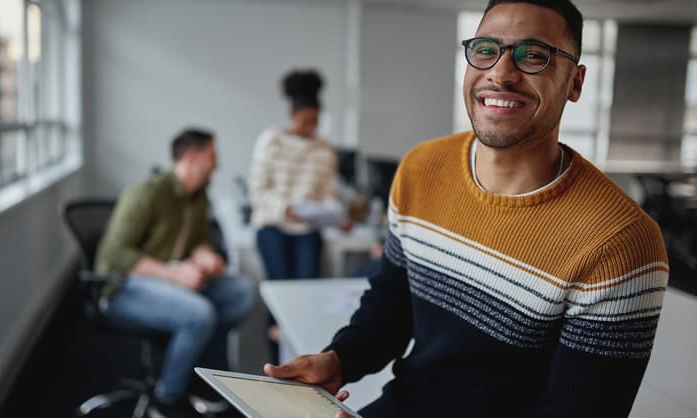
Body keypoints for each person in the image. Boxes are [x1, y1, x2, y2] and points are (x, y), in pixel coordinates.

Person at [264, 1, 670, 417]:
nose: (501, 73)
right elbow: (393, 302)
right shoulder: (421, 169)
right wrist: (341, 359)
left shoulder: (621, 243)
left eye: (533, 55)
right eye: (485, 49)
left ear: (575, 81)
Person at [95, 128, 255, 416]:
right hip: (124, 287)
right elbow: (113, 254)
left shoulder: (198, 198)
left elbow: (198, 241)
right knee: (199, 313)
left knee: (242, 291)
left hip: (172, 284)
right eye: (212, 157)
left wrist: (204, 254)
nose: (216, 165)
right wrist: (175, 276)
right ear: (192, 157)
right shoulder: (149, 192)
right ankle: (167, 397)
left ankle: (201, 371)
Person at [249, 69, 348, 362]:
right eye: (305, 121)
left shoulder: (324, 149)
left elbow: (328, 194)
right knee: (279, 298)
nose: (310, 127)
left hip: (308, 230)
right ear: (292, 115)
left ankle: (303, 365)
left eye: (315, 122)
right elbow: (258, 192)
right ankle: (274, 366)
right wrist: (286, 208)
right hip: (274, 227)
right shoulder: (272, 141)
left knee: (306, 301)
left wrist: (336, 215)